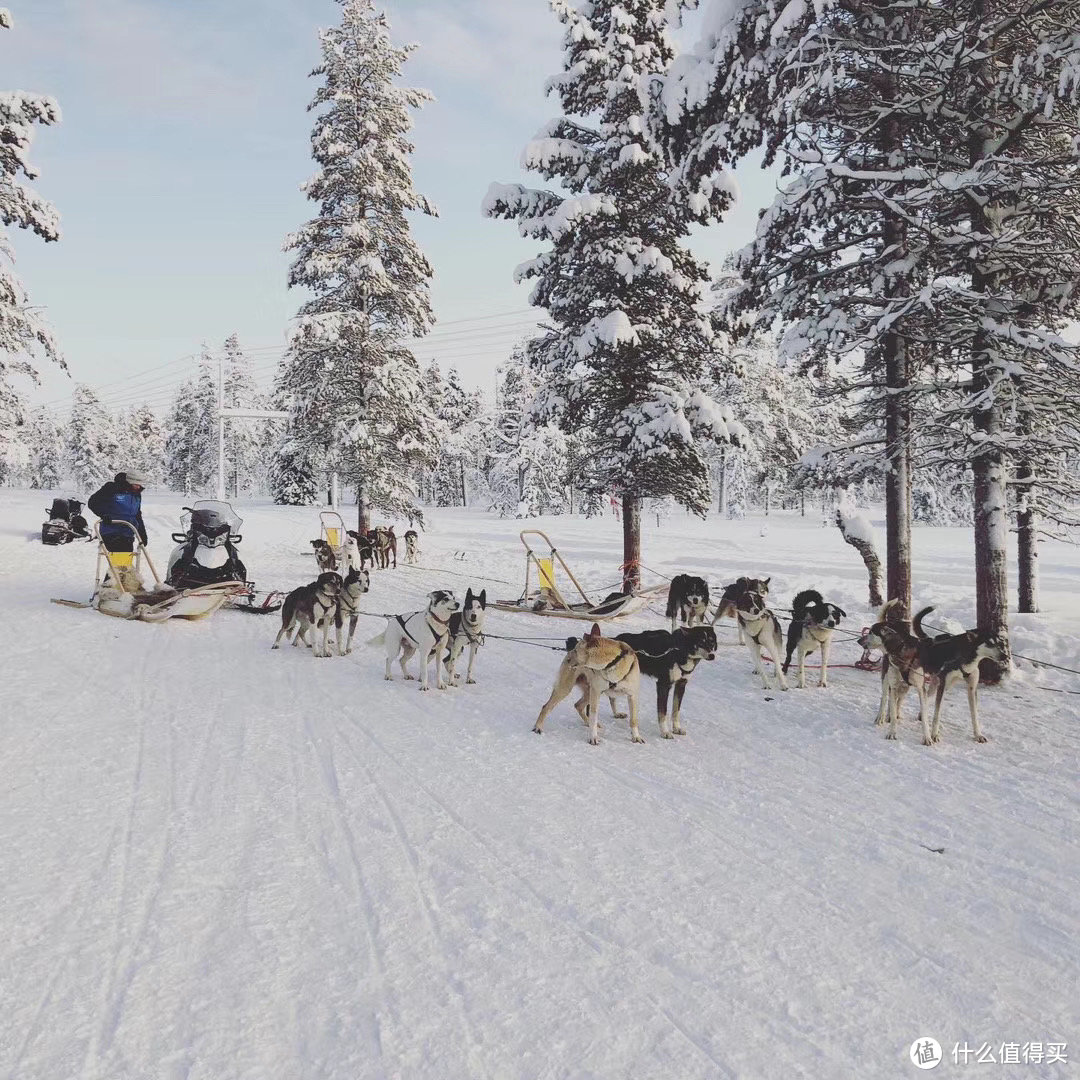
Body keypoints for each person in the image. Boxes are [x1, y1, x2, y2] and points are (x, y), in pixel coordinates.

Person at [87, 470, 149, 553]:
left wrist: (142, 534)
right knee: (120, 557)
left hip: (128, 533)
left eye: (139, 485)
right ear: (129, 482)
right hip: (111, 531)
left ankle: (121, 566)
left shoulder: (136, 495)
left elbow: (137, 515)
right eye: (136, 484)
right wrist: (103, 514)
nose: (138, 487)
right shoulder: (112, 488)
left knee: (123, 561)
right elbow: (93, 502)